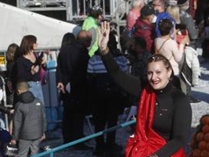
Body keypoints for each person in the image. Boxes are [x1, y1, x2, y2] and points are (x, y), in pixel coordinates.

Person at [97, 21, 191, 157]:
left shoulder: (179, 99)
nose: (154, 77)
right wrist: (104, 50)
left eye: (158, 72)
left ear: (169, 72)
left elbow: (180, 139)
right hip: (142, 151)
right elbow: (118, 75)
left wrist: (156, 156)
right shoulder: (145, 90)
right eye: (150, 73)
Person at [56, 31, 91, 147]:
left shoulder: (64, 51)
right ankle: (78, 140)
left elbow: (59, 68)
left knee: (67, 114)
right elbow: (84, 71)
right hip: (79, 87)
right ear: (85, 41)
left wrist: (60, 81)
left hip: (65, 86)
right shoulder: (82, 52)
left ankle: (68, 139)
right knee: (78, 116)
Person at [10, 82, 46, 157]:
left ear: (19, 91)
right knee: (35, 153)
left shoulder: (19, 105)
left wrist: (14, 138)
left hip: (24, 135)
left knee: (22, 154)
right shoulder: (38, 102)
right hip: (37, 133)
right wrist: (43, 131)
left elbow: (17, 123)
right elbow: (43, 118)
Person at [13, 36, 46, 104]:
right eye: (35, 42)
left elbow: (43, 69)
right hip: (29, 86)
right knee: (32, 106)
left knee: (40, 106)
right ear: (30, 44)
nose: (37, 44)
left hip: (38, 84)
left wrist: (43, 64)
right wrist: (31, 72)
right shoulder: (21, 60)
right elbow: (20, 77)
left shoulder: (36, 55)